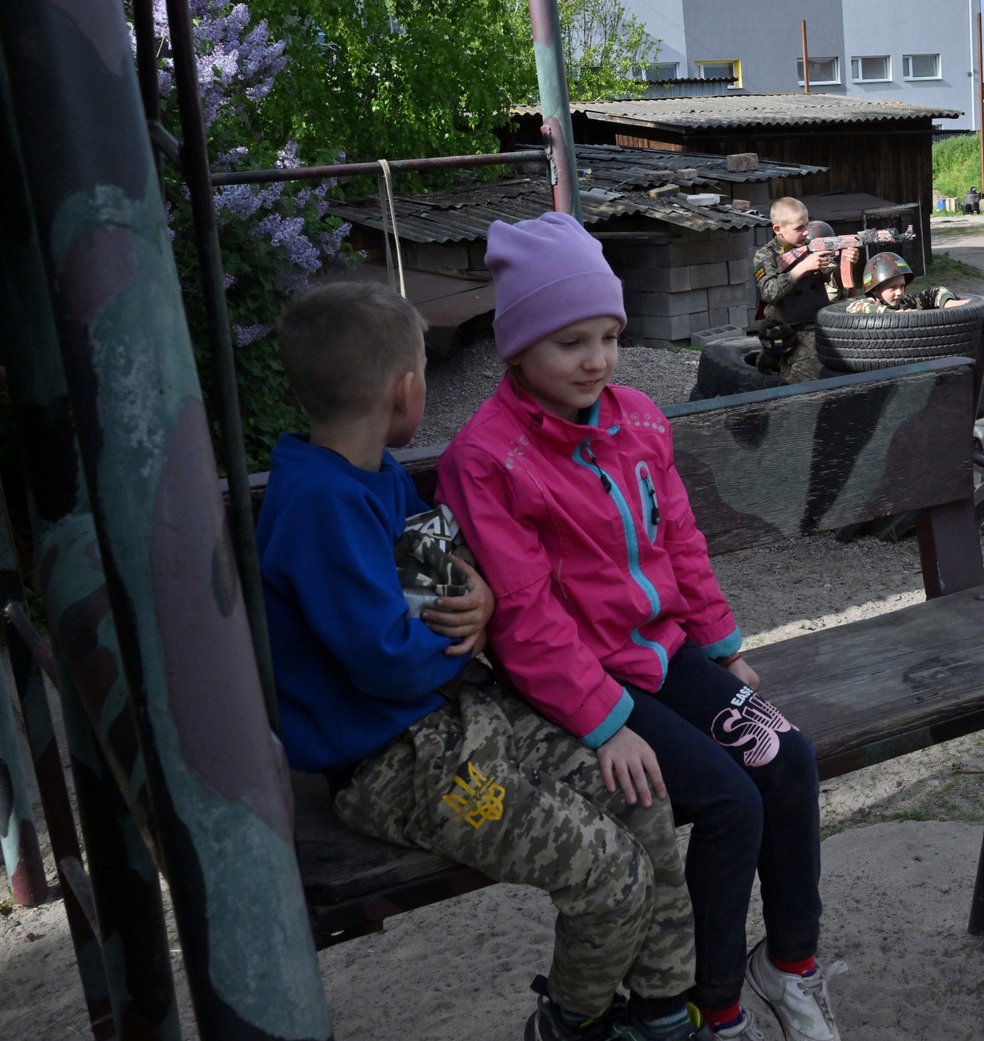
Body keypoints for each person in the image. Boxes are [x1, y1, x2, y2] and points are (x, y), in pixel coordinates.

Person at [439, 212, 844, 1041]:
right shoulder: (489, 457)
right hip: (586, 685)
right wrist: (605, 723)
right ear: (517, 347)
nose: (595, 360)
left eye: (608, 336)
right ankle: (716, 1006)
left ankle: (789, 962)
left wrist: (722, 645)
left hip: (666, 654)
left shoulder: (635, 419)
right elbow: (523, 613)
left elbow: (680, 540)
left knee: (787, 755)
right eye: (569, 342)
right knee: (729, 800)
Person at [259, 281, 701, 1041]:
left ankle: (662, 1006)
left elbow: (444, 595)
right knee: (610, 874)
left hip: (461, 716)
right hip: (394, 766)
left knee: (642, 793)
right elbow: (392, 661)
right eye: (425, 372)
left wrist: (483, 607)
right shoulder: (317, 505)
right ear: (406, 389)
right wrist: (466, 624)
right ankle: (571, 1022)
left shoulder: (379, 476)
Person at [751, 198, 856, 384]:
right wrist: (800, 270)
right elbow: (768, 291)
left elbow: (835, 286)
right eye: (799, 228)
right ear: (778, 229)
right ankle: (773, 360)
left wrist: (845, 263)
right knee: (811, 379)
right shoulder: (766, 255)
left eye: (807, 224)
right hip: (790, 331)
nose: (806, 231)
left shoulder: (811, 247)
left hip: (819, 323)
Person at [845, 252, 972, 313]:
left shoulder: (905, 303)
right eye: (892, 287)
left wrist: (948, 302)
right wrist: (893, 315)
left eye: (902, 286)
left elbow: (935, 292)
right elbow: (855, 307)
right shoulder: (869, 304)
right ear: (874, 290)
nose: (899, 292)